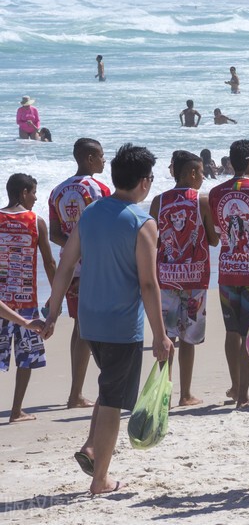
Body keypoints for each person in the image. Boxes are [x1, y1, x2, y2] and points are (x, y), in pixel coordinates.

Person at [43, 143, 173, 496]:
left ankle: (91, 446)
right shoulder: (142, 223)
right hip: (120, 326)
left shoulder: (91, 212)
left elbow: (66, 265)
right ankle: (100, 479)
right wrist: (160, 335)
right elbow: (148, 283)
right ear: (145, 181)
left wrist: (52, 313)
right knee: (114, 401)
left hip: (89, 321)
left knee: (109, 385)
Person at [149, 150, 219, 407]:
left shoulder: (159, 201)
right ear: (191, 173)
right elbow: (213, 240)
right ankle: (185, 393)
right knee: (188, 339)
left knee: (166, 338)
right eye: (201, 172)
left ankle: (163, 395)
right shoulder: (201, 201)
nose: (202, 177)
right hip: (194, 281)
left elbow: (154, 241)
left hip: (165, 278)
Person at [48, 138, 111, 408]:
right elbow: (109, 228)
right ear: (89, 158)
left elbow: (55, 234)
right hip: (97, 267)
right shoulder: (100, 189)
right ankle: (101, 388)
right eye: (100, 156)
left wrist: (76, 249)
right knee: (99, 328)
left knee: (79, 327)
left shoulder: (57, 191)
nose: (104, 160)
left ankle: (76, 392)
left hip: (71, 268)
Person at [208, 140, 249, 408]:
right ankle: (243, 394)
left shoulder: (215, 193)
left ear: (231, 161)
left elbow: (218, 232)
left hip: (226, 269)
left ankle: (235, 386)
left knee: (232, 331)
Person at [0, 174, 56, 422]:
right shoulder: (36, 222)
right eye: (34, 192)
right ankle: (15, 411)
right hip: (26, 303)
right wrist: (55, 298)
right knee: (26, 358)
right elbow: (49, 262)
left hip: (1, 300)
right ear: (24, 192)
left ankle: (16, 411)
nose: (35, 197)